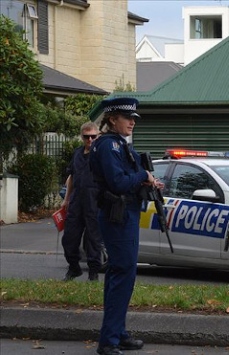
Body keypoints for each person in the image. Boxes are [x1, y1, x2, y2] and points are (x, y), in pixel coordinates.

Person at [90, 97, 162, 355]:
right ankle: (109, 340)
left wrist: (146, 182)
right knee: (122, 275)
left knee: (120, 276)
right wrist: (143, 176)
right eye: (126, 117)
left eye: (133, 118)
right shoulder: (109, 146)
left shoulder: (118, 145)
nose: (132, 122)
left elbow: (124, 179)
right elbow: (118, 182)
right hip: (117, 215)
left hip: (124, 214)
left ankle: (117, 333)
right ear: (112, 119)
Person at [60, 122, 103, 282]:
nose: (90, 140)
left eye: (93, 136)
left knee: (93, 240)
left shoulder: (101, 154)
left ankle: (93, 273)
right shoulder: (77, 153)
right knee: (69, 239)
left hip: (94, 201)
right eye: (87, 137)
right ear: (82, 137)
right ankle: (74, 268)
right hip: (77, 201)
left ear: (98, 136)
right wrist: (66, 200)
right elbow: (71, 177)